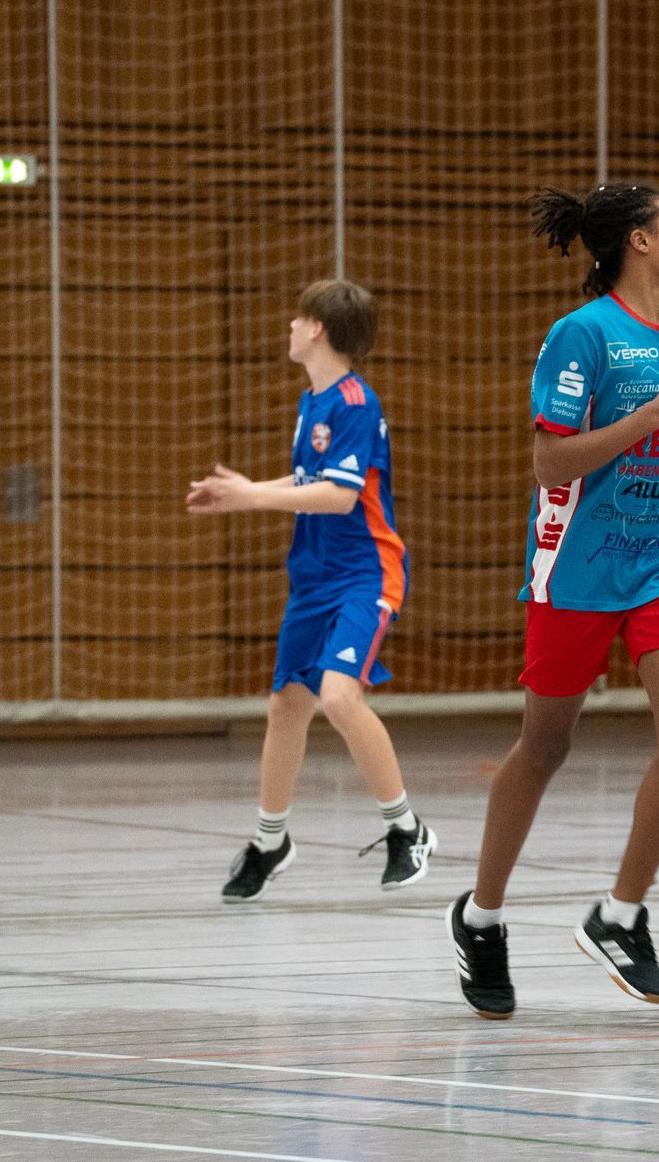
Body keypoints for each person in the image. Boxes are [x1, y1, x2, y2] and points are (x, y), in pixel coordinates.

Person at [447, 181, 659, 1020]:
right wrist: (657, 416)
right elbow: (552, 462)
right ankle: (481, 917)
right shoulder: (581, 334)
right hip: (576, 566)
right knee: (544, 746)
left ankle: (621, 914)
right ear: (639, 241)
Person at [188, 279, 434, 902]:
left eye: (298, 319)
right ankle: (270, 842)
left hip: (365, 573)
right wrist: (243, 492)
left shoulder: (355, 402)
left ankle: (407, 830)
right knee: (287, 705)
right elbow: (310, 479)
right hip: (314, 577)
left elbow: (341, 495)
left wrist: (251, 497)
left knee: (339, 698)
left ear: (317, 329)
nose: (291, 328)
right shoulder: (314, 401)